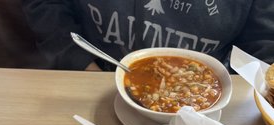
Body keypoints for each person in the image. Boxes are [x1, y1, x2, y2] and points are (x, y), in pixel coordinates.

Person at [22, 0, 274, 71]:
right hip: (94, 80)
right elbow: (46, 6)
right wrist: (81, 64)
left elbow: (262, 46)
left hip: (207, 106)